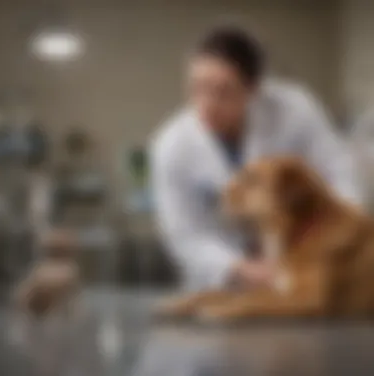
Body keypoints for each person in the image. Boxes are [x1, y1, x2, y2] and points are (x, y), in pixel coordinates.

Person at [150, 26, 362, 291]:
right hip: (226, 279)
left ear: (253, 89)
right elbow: (185, 233)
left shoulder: (294, 111)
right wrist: (240, 268)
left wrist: (336, 239)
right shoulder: (173, 146)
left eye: (223, 92)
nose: (207, 104)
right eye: (197, 87)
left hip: (307, 262)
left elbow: (339, 175)